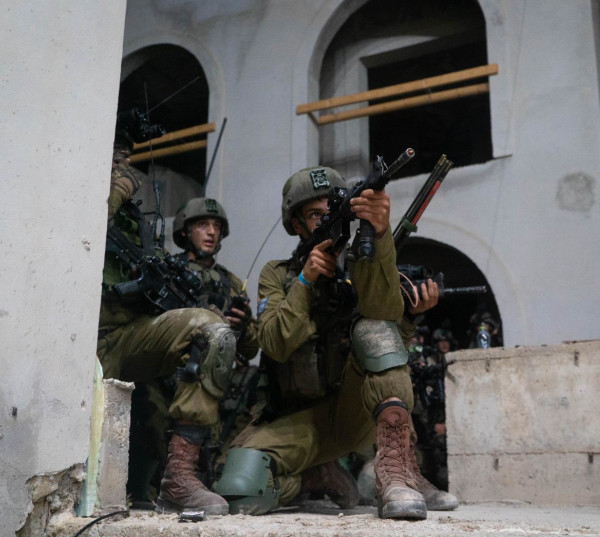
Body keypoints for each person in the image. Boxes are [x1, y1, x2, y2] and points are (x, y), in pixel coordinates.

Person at [215, 166, 440, 519]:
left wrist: (380, 236)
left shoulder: (361, 265)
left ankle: (399, 473)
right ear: (297, 224)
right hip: (296, 419)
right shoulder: (278, 274)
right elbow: (274, 344)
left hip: (354, 412)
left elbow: (386, 331)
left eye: (330, 212)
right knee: (239, 491)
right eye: (313, 214)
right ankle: (314, 477)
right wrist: (305, 281)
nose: (324, 221)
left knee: (373, 330)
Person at [97, 125, 236, 515]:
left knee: (212, 329)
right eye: (113, 157)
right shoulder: (84, 196)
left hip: (128, 337)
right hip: (80, 340)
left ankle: (178, 480)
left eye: (124, 159)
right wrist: (113, 192)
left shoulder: (134, 221)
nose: (121, 166)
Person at [127, 198, 260, 503]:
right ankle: (143, 496)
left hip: (209, 380)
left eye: (216, 227)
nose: (211, 232)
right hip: (164, 374)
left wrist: (245, 324)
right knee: (151, 437)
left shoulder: (231, 283)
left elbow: (250, 349)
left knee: (212, 451)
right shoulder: (168, 270)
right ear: (185, 231)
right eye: (203, 225)